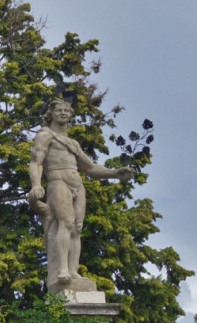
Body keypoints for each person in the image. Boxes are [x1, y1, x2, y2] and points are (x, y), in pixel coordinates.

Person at [27, 99, 134, 293]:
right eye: (59, 110)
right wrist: (36, 184)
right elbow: (36, 161)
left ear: (70, 115)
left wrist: (115, 173)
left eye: (66, 111)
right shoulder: (45, 135)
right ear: (51, 114)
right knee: (66, 222)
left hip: (77, 185)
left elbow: (91, 168)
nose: (63, 113)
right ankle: (63, 270)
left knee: (76, 228)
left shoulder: (73, 143)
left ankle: (73, 271)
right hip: (58, 182)